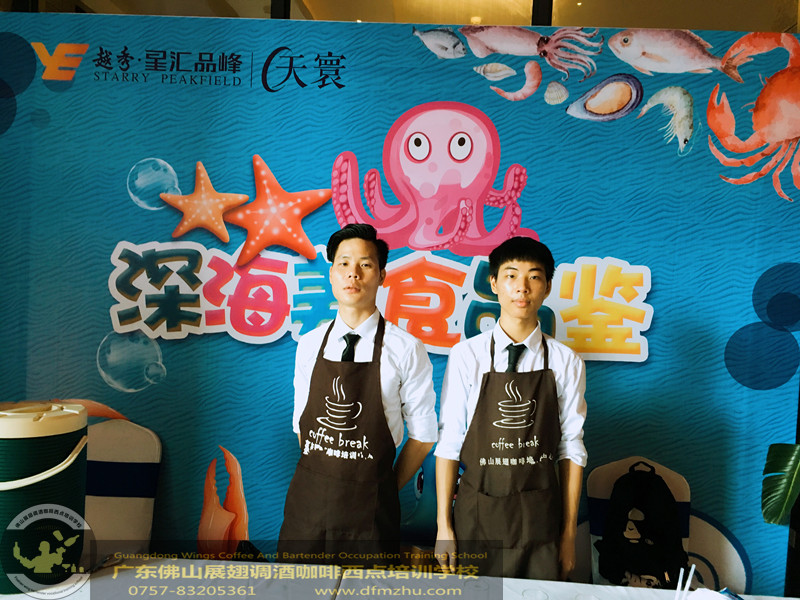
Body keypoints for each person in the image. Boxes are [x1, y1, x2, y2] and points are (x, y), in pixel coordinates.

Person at [278, 223, 438, 565]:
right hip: (307, 508)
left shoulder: (406, 349)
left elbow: (424, 437)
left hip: (371, 515)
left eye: (365, 264)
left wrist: (383, 487)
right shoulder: (309, 345)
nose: (353, 273)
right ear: (331, 274)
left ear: (381, 275)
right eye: (344, 263)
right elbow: (301, 427)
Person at [434, 236, 587, 581]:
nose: (522, 287)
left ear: (547, 287)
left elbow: (571, 448)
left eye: (534, 277)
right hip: (477, 517)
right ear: (493, 283)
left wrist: (568, 534)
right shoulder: (467, 356)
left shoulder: (566, 362)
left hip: (540, 522)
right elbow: (450, 442)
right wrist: (444, 525)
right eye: (511, 275)